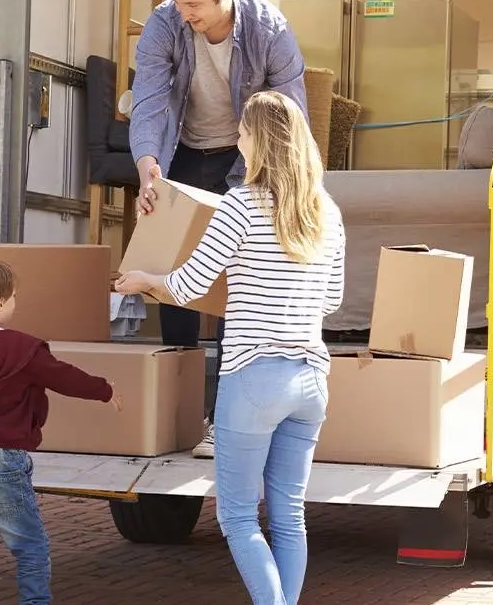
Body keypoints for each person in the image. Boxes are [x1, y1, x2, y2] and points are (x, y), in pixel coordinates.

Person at [116, 90, 344, 605]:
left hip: (252, 376)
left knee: (238, 518)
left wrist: (144, 279)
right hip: (310, 379)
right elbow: (331, 299)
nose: (237, 142)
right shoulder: (327, 211)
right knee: (289, 516)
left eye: (242, 133)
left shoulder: (240, 205)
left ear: (260, 142)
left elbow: (191, 285)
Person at [129, 0, 308, 459]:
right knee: (174, 272)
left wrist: (261, 186)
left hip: (248, 158)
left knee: (237, 280)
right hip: (181, 152)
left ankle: (225, 419)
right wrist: (147, 167)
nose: (183, 14)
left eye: (194, 5)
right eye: (177, 2)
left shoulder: (269, 30)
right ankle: (180, 411)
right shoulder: (166, 23)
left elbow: (287, 118)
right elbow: (150, 100)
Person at [0, 258, 123, 605]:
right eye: (15, 296)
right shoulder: (22, 349)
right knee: (30, 544)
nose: (16, 303)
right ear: (0, 303)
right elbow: (63, 376)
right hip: (2, 457)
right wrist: (104, 390)